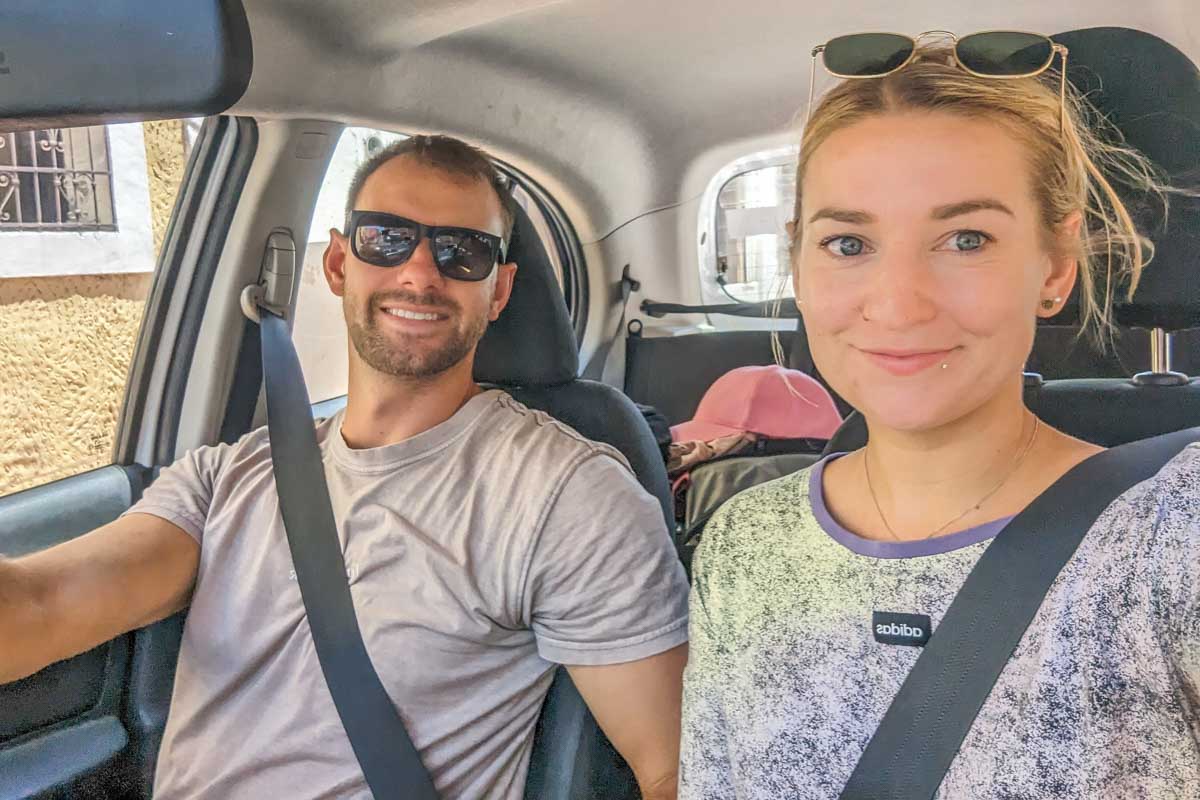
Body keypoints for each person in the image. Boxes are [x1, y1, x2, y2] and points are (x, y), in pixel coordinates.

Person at [0, 135, 690, 799]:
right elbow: (42, 606)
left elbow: (675, 771)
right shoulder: (223, 478)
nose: (421, 272)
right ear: (337, 263)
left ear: (500, 292)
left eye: (463, 252)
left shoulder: (567, 494)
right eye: (386, 238)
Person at [679, 35, 1199, 799]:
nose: (897, 302)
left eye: (967, 239)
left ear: (1055, 268)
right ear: (798, 264)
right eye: (847, 243)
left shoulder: (1173, 531)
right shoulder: (741, 544)